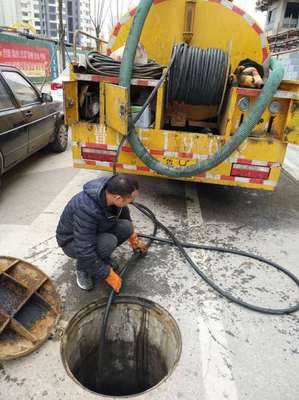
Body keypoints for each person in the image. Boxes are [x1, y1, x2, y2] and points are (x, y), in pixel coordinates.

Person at [56, 174, 148, 292]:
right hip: (72, 242)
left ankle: (99, 259)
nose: (132, 202)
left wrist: (134, 239)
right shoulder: (86, 209)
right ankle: (83, 268)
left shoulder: (111, 193)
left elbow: (123, 212)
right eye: (131, 200)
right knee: (108, 242)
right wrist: (107, 274)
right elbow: (84, 248)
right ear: (118, 198)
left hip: (93, 231)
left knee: (126, 227)